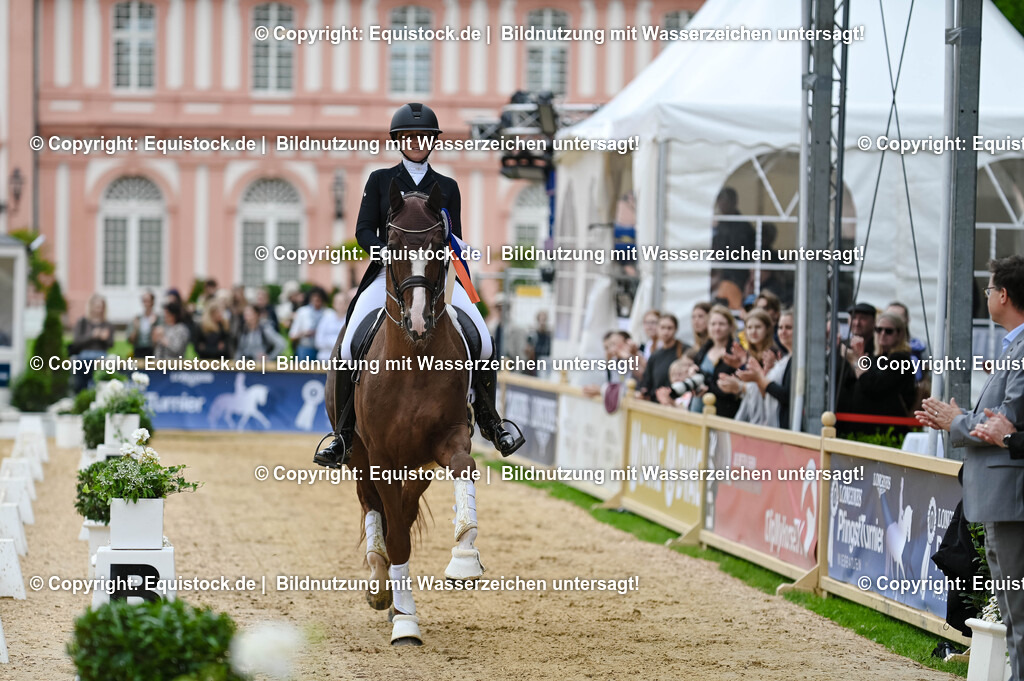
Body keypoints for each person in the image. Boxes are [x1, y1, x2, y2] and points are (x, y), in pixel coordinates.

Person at [315, 103, 523, 468]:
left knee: (484, 339)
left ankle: (491, 420)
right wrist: (386, 253)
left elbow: (452, 234)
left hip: (436, 276)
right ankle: (344, 434)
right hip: (389, 274)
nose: (417, 142)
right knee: (350, 345)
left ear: (431, 142)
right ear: (399, 140)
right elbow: (364, 230)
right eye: (410, 137)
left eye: (423, 136)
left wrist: (453, 255)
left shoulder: (446, 187)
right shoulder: (380, 180)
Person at [918, 255, 1024, 681]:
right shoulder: (1012, 346)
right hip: (998, 493)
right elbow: (998, 419)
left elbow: (1008, 421)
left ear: (1003, 295)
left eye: (988, 289)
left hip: (1009, 493)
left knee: (1018, 610)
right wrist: (964, 418)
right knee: (1012, 612)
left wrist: (955, 421)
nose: (985, 297)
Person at [837, 311, 915, 436]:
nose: (882, 334)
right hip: (864, 428)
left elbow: (872, 387)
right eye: (879, 330)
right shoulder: (878, 357)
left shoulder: (900, 360)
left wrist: (857, 361)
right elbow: (852, 383)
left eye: (888, 331)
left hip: (886, 432)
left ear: (900, 334)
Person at [691, 305, 743, 418]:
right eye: (713, 324)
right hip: (697, 409)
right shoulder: (703, 351)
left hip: (723, 412)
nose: (717, 328)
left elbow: (733, 389)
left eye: (721, 324)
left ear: (730, 326)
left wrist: (708, 387)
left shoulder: (736, 352)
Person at [637, 314, 688, 402]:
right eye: (663, 328)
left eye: (669, 328)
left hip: (677, 402)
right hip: (656, 402)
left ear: (676, 329)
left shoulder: (684, 351)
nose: (666, 332)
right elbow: (647, 381)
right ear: (658, 329)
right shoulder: (655, 356)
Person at [70, 293, 115, 392]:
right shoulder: (82, 322)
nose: (98, 309)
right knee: (81, 367)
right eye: (96, 306)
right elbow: (76, 342)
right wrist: (92, 335)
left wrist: (105, 338)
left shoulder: (108, 324)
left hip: (101, 356)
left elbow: (111, 344)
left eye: (101, 307)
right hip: (84, 356)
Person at [289, 287, 327, 361]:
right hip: (306, 349)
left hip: (324, 351)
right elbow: (292, 335)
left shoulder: (328, 313)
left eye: (319, 299)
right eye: (314, 299)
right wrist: (304, 333)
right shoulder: (302, 312)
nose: (316, 302)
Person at [315, 290, 348, 361]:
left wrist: (329, 342)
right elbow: (318, 340)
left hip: (341, 362)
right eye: (339, 303)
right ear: (334, 304)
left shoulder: (350, 320)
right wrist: (336, 345)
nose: (341, 305)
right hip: (324, 359)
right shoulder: (326, 317)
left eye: (343, 303)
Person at [128, 290, 159, 358]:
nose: (146, 303)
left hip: (152, 351)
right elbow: (130, 340)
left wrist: (153, 326)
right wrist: (136, 329)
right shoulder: (137, 318)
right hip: (139, 350)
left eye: (148, 301)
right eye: (144, 301)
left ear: (152, 302)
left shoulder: (158, 319)